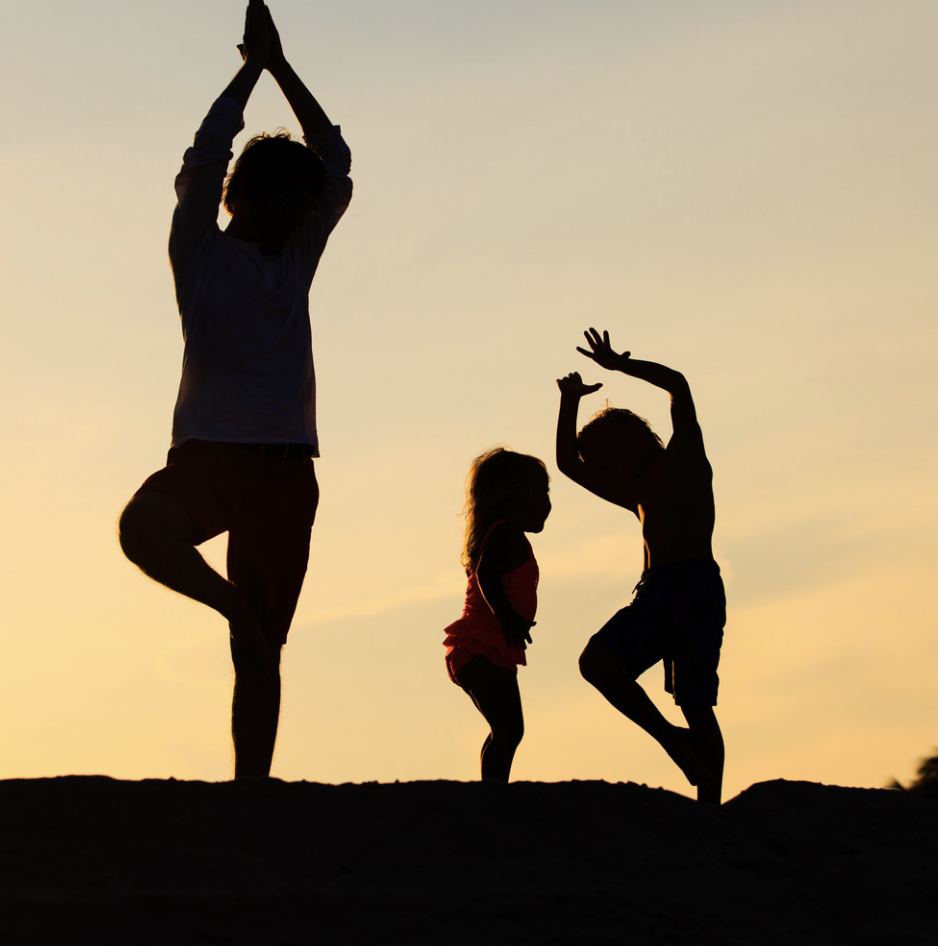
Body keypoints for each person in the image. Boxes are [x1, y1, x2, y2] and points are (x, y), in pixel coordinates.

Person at [118, 0, 352, 779]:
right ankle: (232, 605)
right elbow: (205, 154)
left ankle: (251, 792)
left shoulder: (298, 255)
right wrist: (248, 70)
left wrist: (282, 65)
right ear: (250, 194)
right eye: (290, 201)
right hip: (211, 457)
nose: (303, 215)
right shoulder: (201, 250)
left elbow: (336, 161)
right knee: (143, 530)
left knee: (261, 659)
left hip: (288, 473)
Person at [556, 328, 725, 803]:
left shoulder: (686, 455)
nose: (607, 464)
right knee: (598, 663)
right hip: (652, 594)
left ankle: (709, 805)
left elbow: (679, 384)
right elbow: (568, 463)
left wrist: (619, 367)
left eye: (609, 448)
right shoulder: (634, 494)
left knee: (695, 701)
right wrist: (569, 400)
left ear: (635, 429)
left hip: (695, 587)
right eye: (602, 463)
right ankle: (671, 740)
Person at [443, 449, 551, 781]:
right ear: (515, 496)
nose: (547, 504)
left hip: (487, 646)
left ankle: (492, 791)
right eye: (542, 493)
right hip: (481, 645)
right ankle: (493, 795)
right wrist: (506, 617)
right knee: (508, 729)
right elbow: (487, 576)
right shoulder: (505, 534)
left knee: (506, 729)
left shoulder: (504, 535)